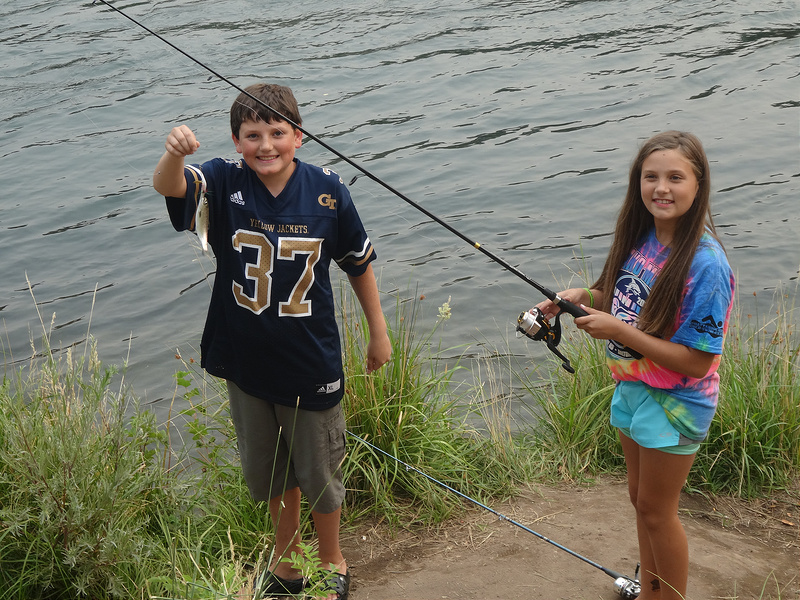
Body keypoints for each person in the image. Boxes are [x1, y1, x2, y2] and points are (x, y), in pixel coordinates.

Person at [153, 83, 392, 600]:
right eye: (252, 135)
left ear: (299, 137)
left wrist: (379, 332)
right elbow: (171, 188)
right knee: (272, 472)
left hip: (311, 361)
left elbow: (359, 264)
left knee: (321, 474)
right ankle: (287, 563)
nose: (266, 145)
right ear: (236, 142)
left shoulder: (330, 191)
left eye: (278, 133)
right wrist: (173, 154)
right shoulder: (220, 179)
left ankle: (331, 562)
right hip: (245, 360)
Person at [534, 131, 734, 599]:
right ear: (637, 183)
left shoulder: (707, 265)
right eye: (651, 177)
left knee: (658, 511)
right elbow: (622, 300)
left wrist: (622, 334)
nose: (661, 188)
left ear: (698, 185)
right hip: (633, 390)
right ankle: (650, 592)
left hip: (677, 402)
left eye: (675, 178)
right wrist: (581, 299)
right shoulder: (642, 238)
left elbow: (699, 362)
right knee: (640, 503)